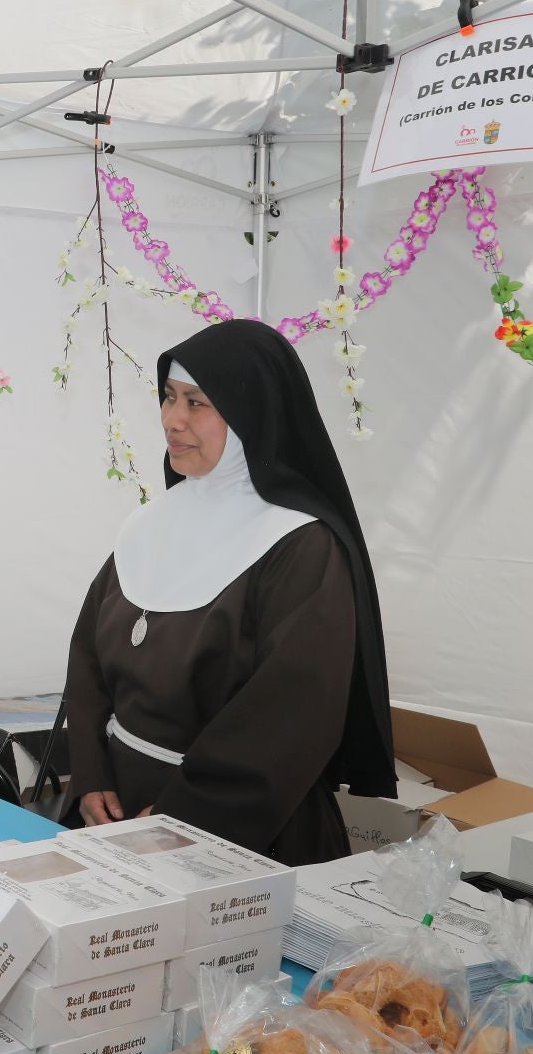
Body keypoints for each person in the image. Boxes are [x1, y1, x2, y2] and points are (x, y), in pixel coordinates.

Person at [58, 319, 396, 866]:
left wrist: (181, 822)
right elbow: (88, 659)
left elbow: (287, 720)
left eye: (197, 403)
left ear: (249, 415)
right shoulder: (149, 523)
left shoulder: (298, 546)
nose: (172, 420)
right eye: (168, 397)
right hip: (116, 817)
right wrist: (91, 776)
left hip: (234, 836)